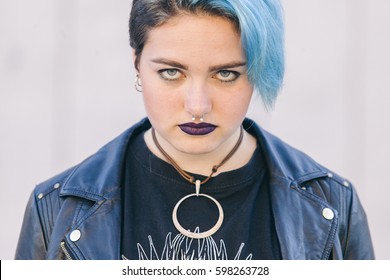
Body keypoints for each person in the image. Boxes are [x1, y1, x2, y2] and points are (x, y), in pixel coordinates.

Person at [15, 0, 374, 260]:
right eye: (172, 72)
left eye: (226, 74)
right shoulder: (56, 209)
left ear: (259, 71)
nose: (198, 106)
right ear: (138, 65)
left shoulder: (332, 204)